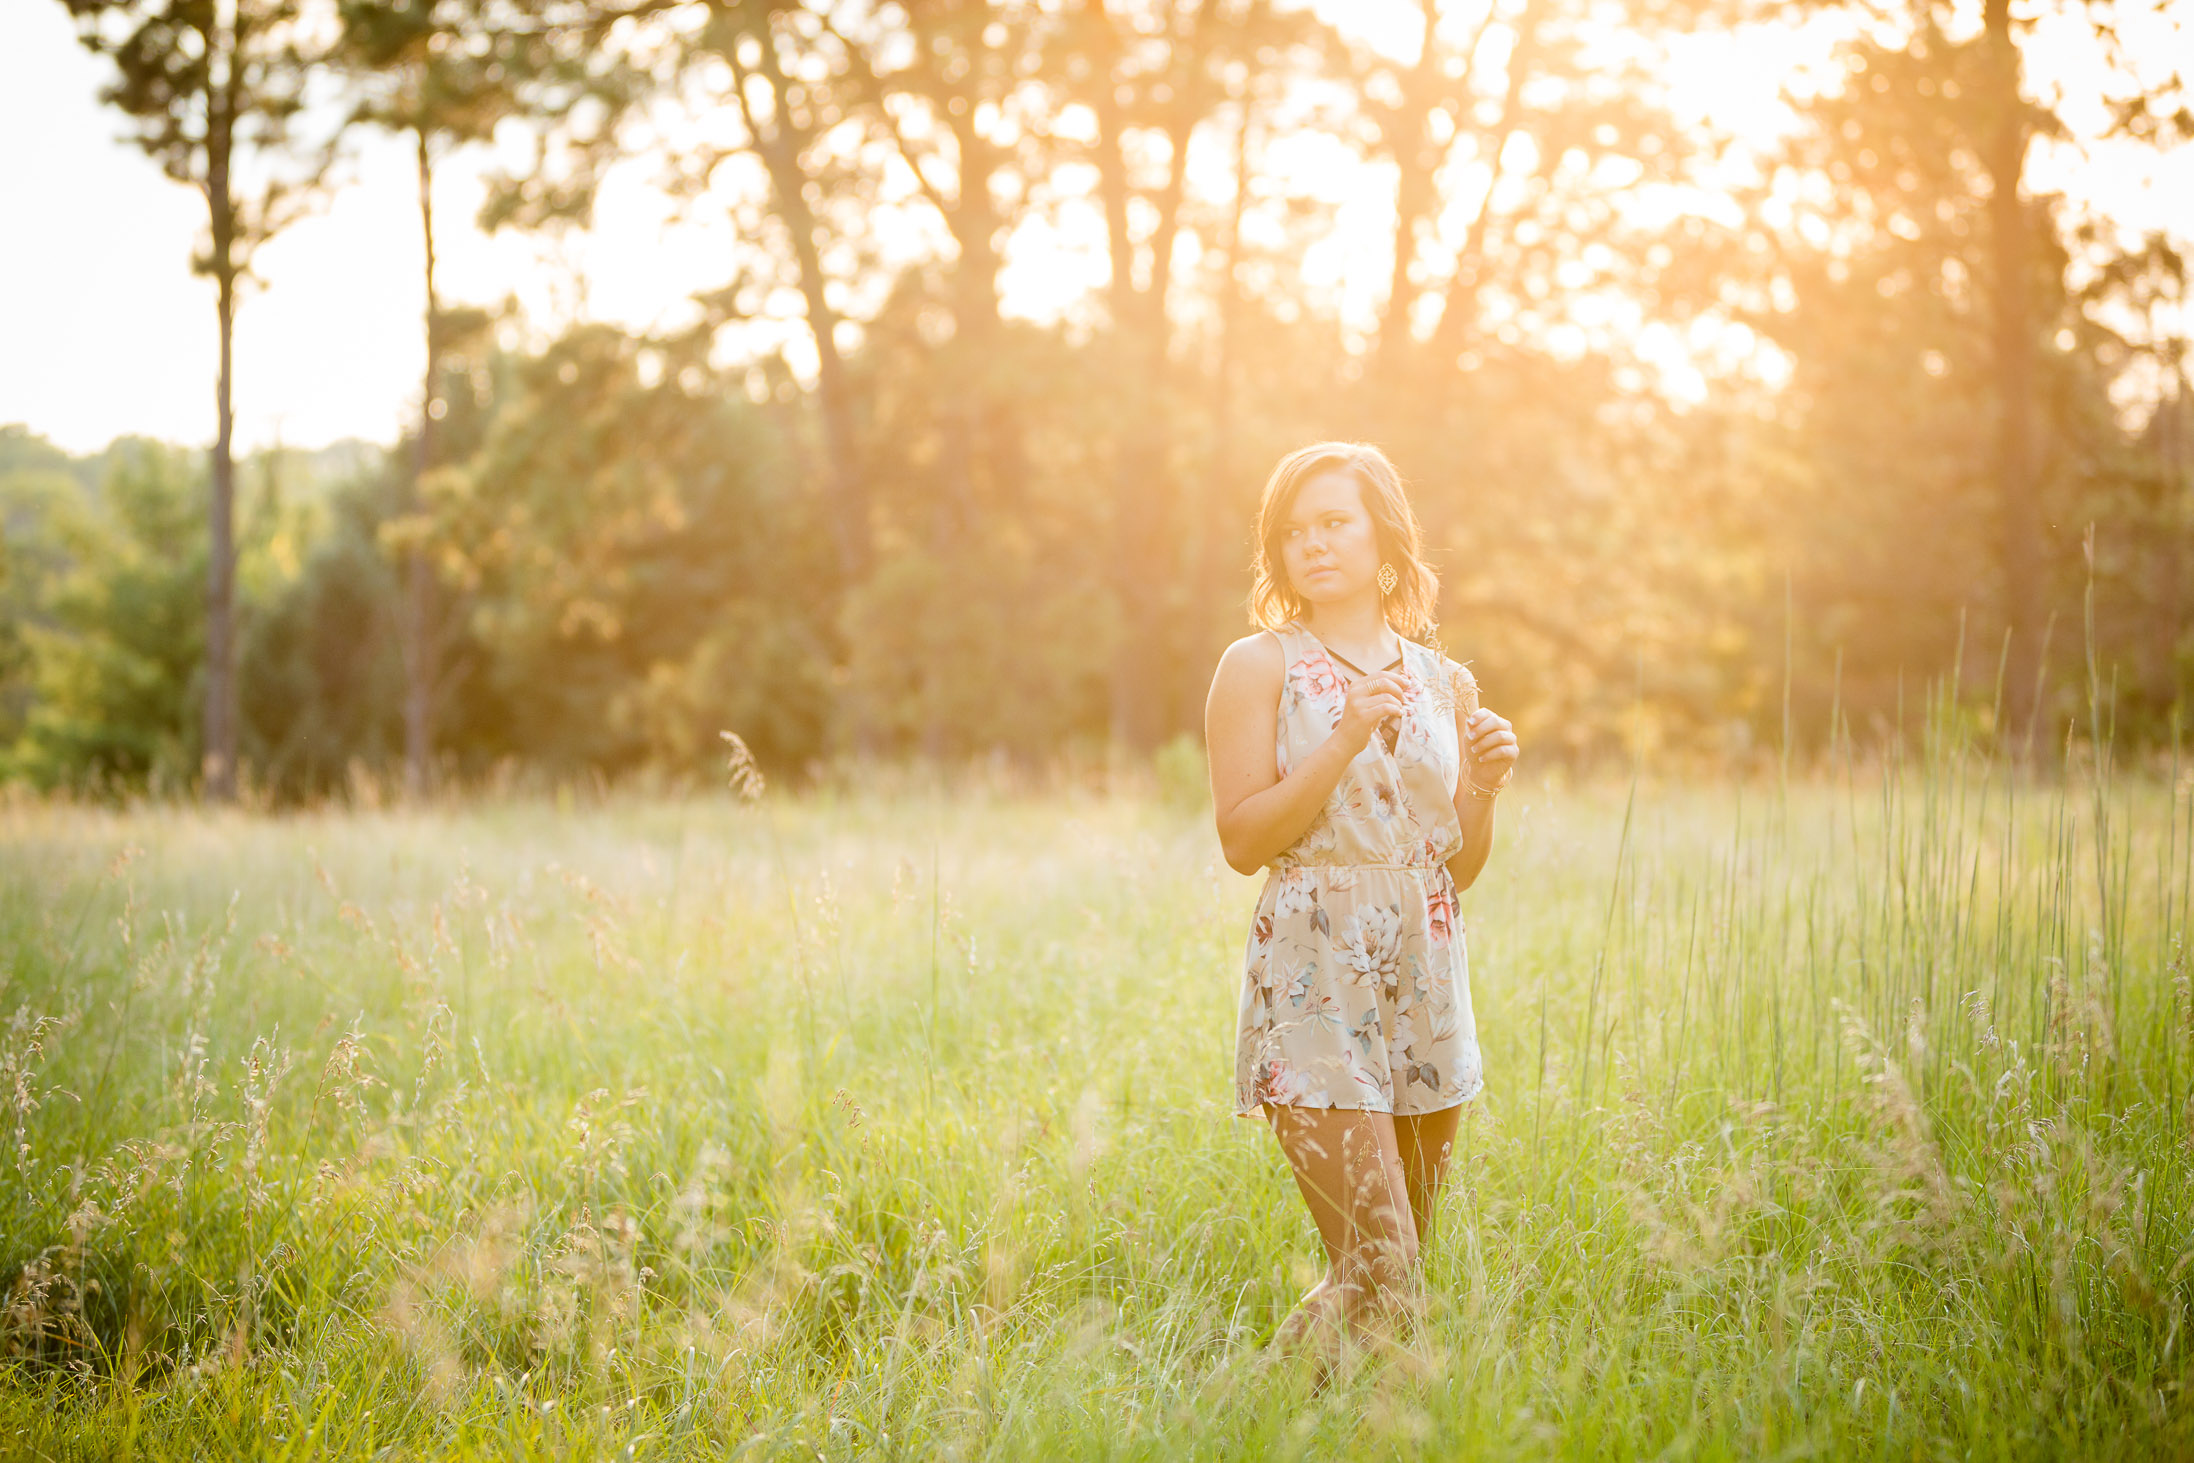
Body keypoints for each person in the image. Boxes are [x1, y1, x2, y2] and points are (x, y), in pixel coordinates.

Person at [1203, 441, 1519, 1363]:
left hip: (1422, 972)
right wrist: (1343, 735)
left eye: (1335, 521)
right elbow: (1242, 839)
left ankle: (1310, 1428)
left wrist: (1486, 787)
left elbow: (1449, 868)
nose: (1314, 544)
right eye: (1293, 532)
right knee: (1382, 1265)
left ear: (1385, 537)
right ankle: (1233, 1420)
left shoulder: (1440, 680)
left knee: (1389, 1276)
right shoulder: (1257, 665)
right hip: (1317, 974)